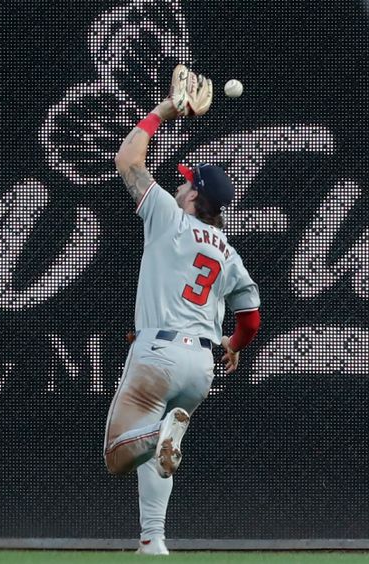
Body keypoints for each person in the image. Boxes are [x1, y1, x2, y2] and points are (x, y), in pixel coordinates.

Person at [104, 69, 261, 556]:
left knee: (119, 454)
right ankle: (154, 541)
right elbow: (251, 316)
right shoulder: (228, 252)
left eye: (186, 183)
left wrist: (163, 112)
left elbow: (127, 159)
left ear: (194, 196)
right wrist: (234, 347)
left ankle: (159, 433)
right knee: (158, 457)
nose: (181, 186)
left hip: (158, 354)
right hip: (201, 368)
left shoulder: (170, 218)